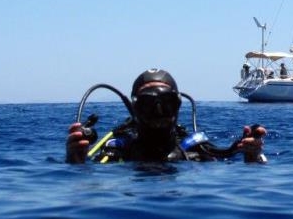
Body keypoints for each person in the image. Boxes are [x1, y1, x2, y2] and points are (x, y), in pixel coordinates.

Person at [66, 69, 267, 164]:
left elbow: (231, 159)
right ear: (135, 108)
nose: (159, 112)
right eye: (148, 104)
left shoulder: (199, 149)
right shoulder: (116, 151)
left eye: (167, 103)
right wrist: (75, 160)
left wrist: (252, 155)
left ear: (178, 106)